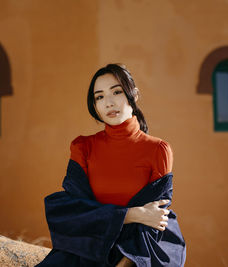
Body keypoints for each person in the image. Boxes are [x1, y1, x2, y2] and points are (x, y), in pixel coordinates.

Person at [36, 64, 186, 267]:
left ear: (133, 95)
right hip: (87, 250)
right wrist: (129, 214)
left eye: (116, 92)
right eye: (99, 97)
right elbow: (75, 212)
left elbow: (154, 220)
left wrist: (124, 262)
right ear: (95, 106)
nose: (109, 102)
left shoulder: (158, 150)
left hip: (135, 255)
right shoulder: (82, 147)